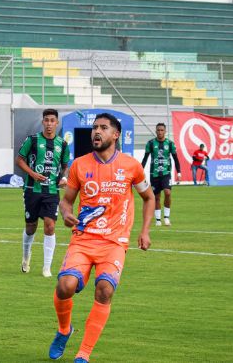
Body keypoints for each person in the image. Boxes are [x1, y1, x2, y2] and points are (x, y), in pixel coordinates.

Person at [48, 113, 154, 363]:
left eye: (103, 128)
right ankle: (64, 330)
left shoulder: (131, 166)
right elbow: (66, 201)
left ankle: (83, 354)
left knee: (104, 290)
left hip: (114, 243)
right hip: (84, 240)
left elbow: (149, 197)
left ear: (115, 135)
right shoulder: (79, 165)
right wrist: (66, 214)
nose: (96, 131)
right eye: (95, 127)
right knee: (65, 287)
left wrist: (145, 230)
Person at [15, 108, 69, 277]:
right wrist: (32, 174)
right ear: (42, 122)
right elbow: (19, 160)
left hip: (51, 191)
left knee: (50, 226)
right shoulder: (32, 140)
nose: (49, 124)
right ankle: (26, 256)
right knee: (31, 227)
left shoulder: (63, 144)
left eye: (52, 120)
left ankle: (47, 268)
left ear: (57, 123)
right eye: (46, 120)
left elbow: (66, 165)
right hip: (32, 190)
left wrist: (64, 178)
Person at [140, 123, 182, 226]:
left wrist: (179, 172)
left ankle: (166, 217)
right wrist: (140, 171)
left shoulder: (170, 144)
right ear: (156, 131)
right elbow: (145, 159)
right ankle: (158, 219)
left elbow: (176, 159)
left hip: (166, 173)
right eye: (158, 130)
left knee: (167, 193)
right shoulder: (150, 143)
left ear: (165, 131)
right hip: (154, 174)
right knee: (156, 197)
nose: (160, 132)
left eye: (162, 130)